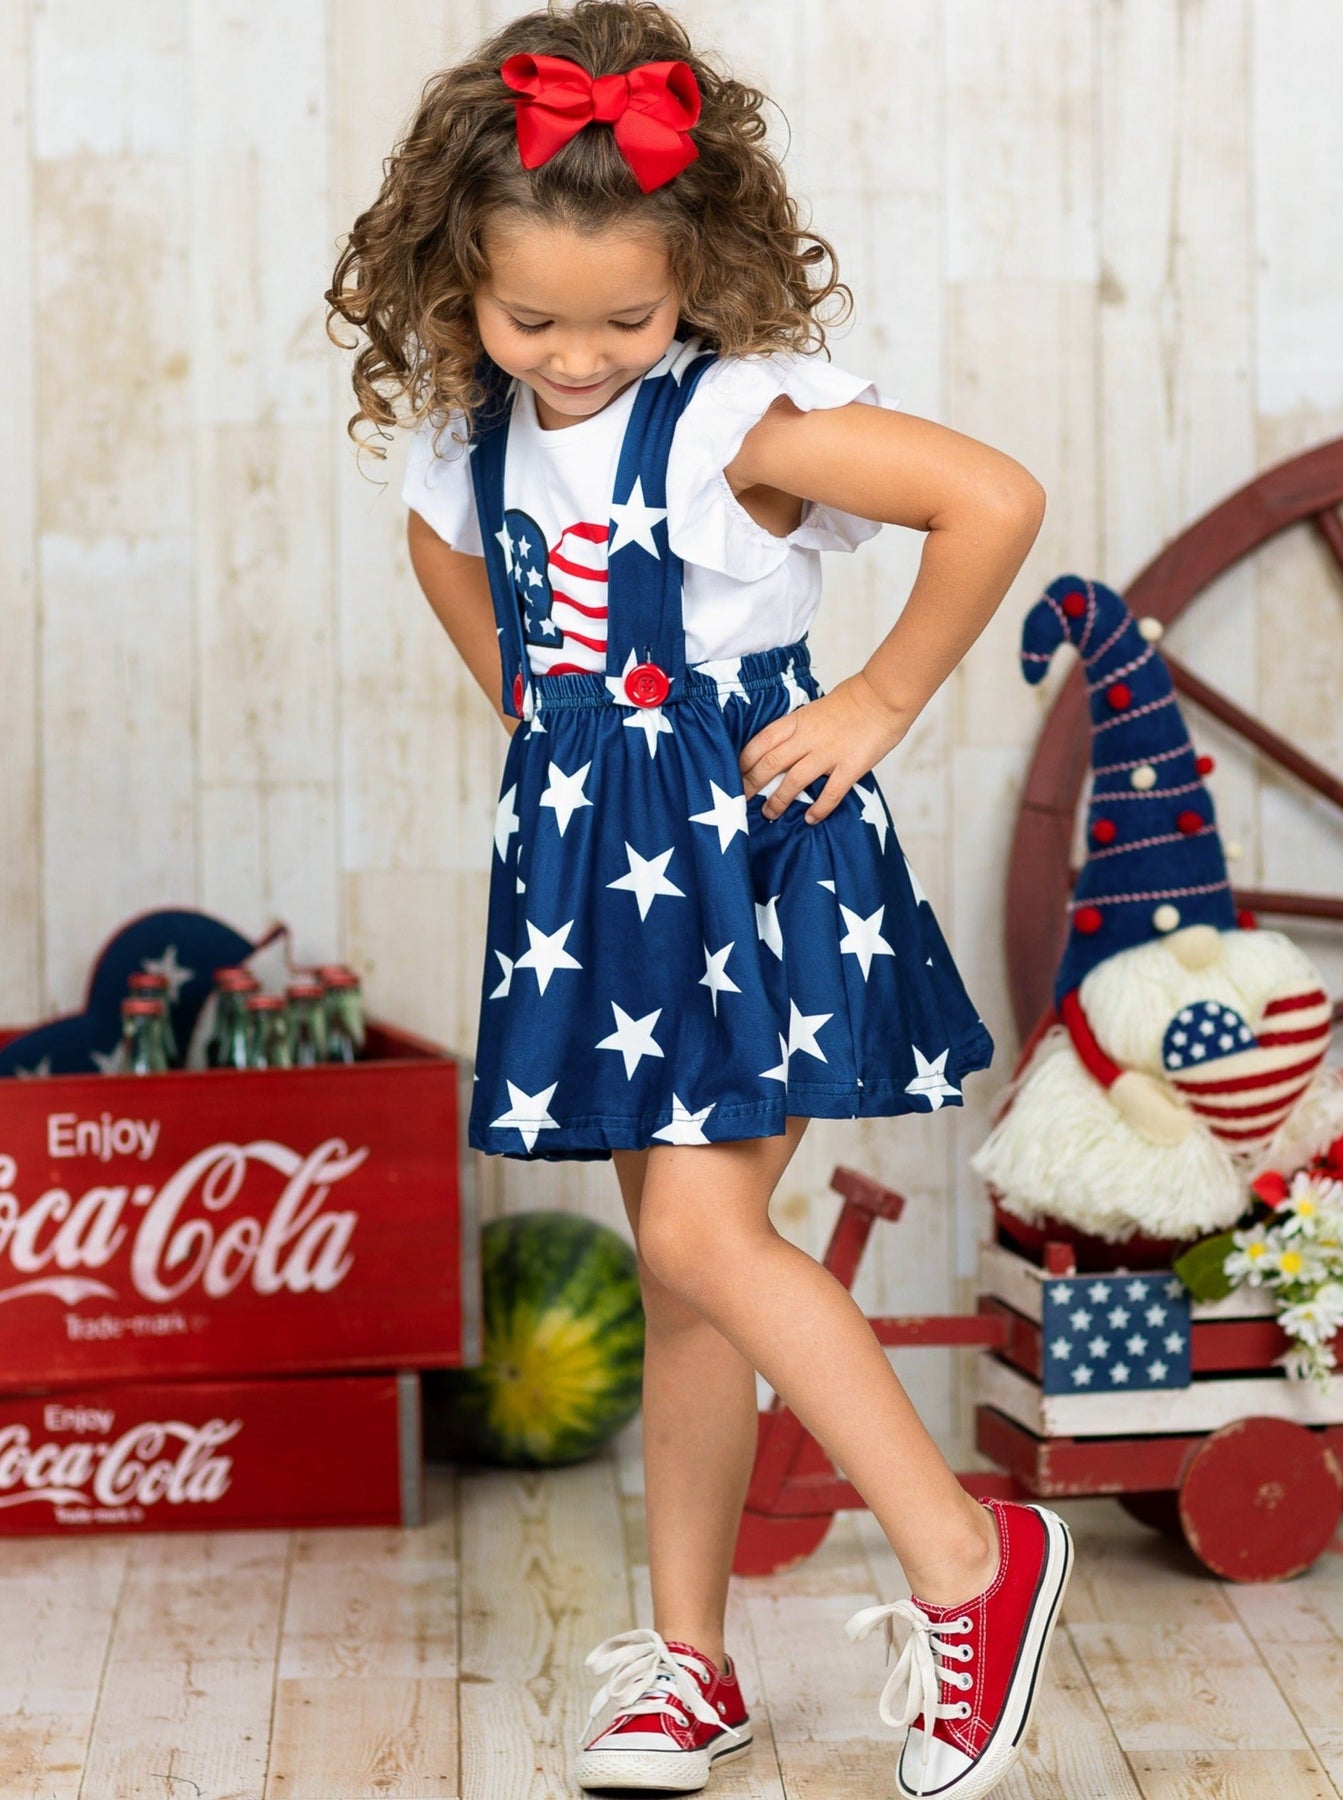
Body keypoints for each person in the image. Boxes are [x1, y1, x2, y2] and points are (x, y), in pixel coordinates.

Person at [327, 5, 1073, 1796]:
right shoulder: (472, 447)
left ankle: (972, 1560)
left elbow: (990, 497)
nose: (579, 357)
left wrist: (875, 700)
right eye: (532, 321)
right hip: (600, 890)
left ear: (695, 281)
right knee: (685, 1287)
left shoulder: (737, 418)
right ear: (454, 280)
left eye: (627, 320)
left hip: (750, 864)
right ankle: (688, 1664)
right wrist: (551, 725)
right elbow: (461, 574)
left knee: (692, 1239)